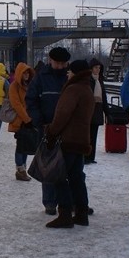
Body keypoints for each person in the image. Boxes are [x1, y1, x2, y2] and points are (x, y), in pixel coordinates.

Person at [42, 59, 96, 228]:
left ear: (76, 73)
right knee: (77, 178)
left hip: (68, 140)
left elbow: (62, 115)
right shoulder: (86, 88)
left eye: (70, 70)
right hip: (80, 141)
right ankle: (81, 213)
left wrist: (50, 132)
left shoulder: (73, 89)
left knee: (60, 177)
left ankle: (65, 214)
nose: (67, 73)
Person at [26, 46, 70, 215]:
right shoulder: (40, 78)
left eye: (63, 63)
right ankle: (50, 202)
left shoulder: (69, 77)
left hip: (67, 130)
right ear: (50, 60)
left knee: (70, 167)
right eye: (57, 62)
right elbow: (30, 100)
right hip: (46, 129)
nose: (60, 66)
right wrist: (38, 121)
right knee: (49, 166)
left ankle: (68, 201)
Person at [7, 62, 35, 181]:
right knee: (20, 146)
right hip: (20, 121)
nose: (27, 74)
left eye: (28, 72)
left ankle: (23, 168)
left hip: (29, 121)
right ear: (19, 74)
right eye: (24, 72)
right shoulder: (14, 86)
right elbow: (16, 104)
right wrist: (27, 119)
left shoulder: (30, 85)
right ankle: (20, 169)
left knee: (26, 144)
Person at [86, 58, 110, 164]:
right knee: (87, 136)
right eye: (96, 68)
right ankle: (85, 156)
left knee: (94, 135)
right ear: (91, 69)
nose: (98, 70)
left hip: (97, 111)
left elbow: (103, 97)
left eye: (99, 68)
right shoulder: (87, 80)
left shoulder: (99, 80)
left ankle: (91, 157)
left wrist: (107, 112)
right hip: (88, 112)